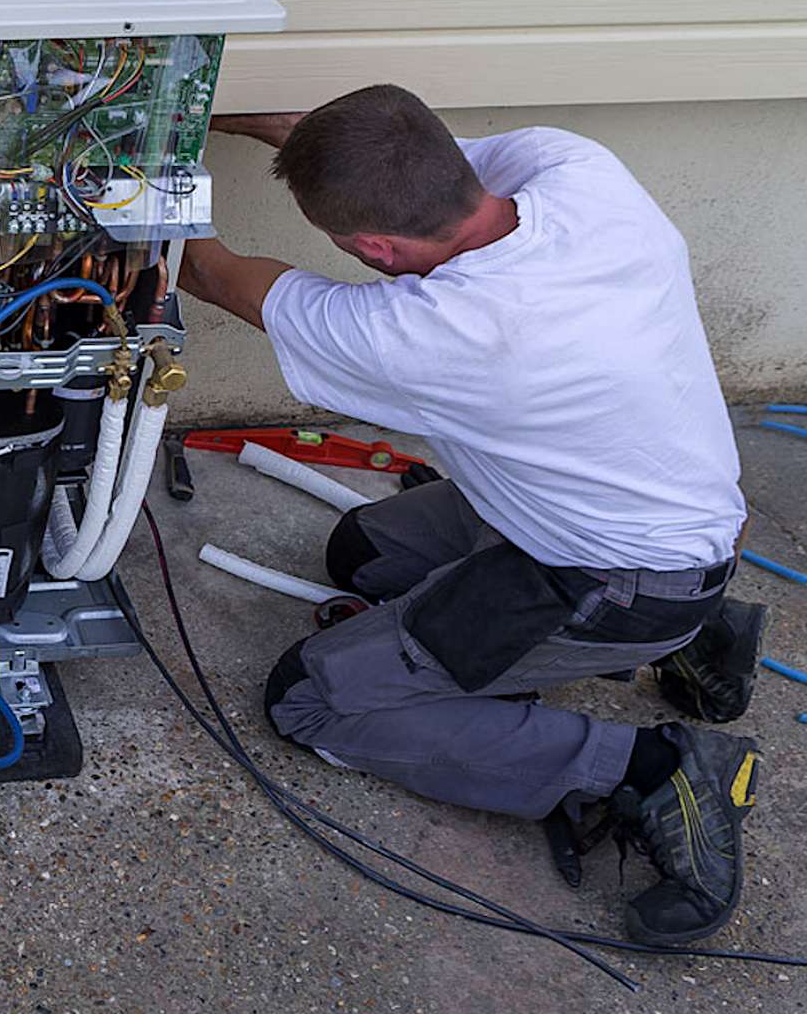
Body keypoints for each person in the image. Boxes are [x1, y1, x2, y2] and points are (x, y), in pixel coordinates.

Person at [177, 84, 764, 947]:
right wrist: (181, 114)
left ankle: (651, 769)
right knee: (362, 554)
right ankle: (700, 633)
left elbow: (202, 268)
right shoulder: (577, 172)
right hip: (646, 512)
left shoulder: (443, 331)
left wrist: (147, 160)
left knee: (314, 700)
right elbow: (329, 137)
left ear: (372, 246)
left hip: (612, 578)